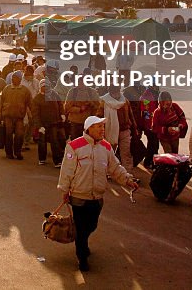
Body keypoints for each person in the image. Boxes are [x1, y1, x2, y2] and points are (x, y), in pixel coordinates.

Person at [57, 115, 140, 272]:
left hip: (97, 196)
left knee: (92, 225)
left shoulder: (106, 147)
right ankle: (82, 257)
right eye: (99, 127)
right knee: (81, 228)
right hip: (79, 196)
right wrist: (64, 190)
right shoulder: (74, 146)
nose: (102, 129)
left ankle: (83, 243)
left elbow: (115, 167)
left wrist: (128, 180)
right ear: (89, 129)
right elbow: (67, 170)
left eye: (103, 126)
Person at [0, 70, 33, 160]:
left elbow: (30, 103)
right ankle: (9, 153)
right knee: (8, 135)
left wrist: (32, 115)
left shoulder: (25, 91)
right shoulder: (6, 89)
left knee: (19, 135)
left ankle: (17, 152)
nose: (14, 79)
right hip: (8, 116)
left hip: (19, 117)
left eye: (16, 78)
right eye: (13, 78)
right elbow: (0, 101)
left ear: (20, 79)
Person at [100, 85, 137, 171]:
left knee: (126, 153)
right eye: (114, 93)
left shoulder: (125, 101)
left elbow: (131, 115)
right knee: (109, 153)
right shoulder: (103, 101)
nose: (116, 95)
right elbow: (99, 117)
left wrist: (134, 128)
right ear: (110, 93)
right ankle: (108, 172)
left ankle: (127, 174)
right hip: (109, 131)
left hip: (124, 131)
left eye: (117, 92)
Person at [31, 80, 66, 167]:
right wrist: (39, 126)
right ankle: (42, 158)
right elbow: (35, 113)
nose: (45, 88)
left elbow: (60, 104)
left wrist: (62, 113)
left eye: (47, 86)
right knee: (42, 142)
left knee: (55, 141)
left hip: (54, 122)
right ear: (40, 87)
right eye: (43, 86)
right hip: (43, 124)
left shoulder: (54, 94)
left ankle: (57, 161)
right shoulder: (37, 98)